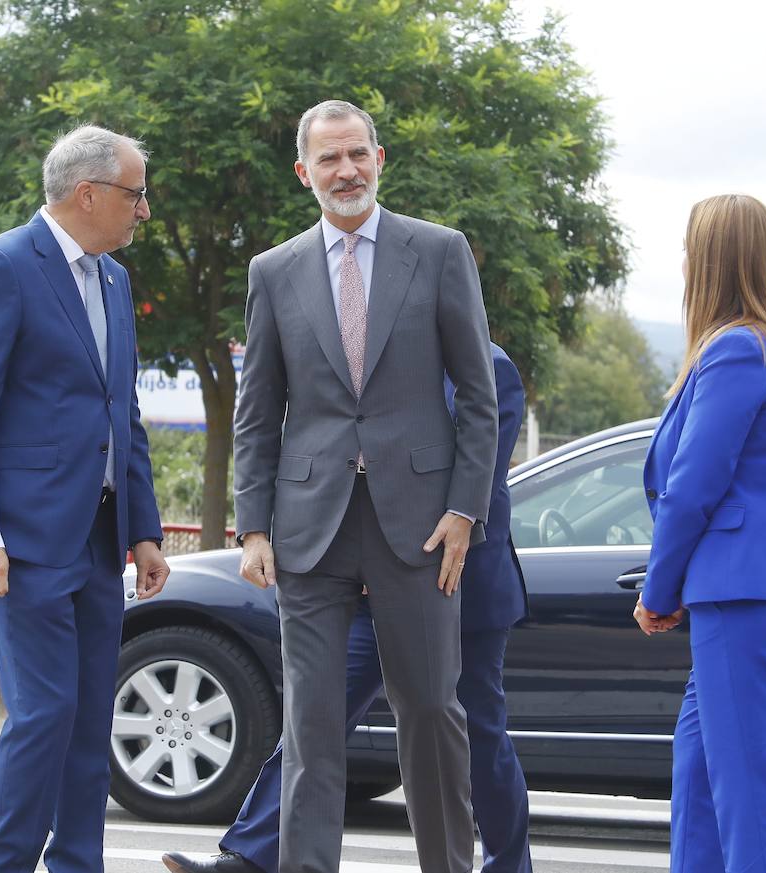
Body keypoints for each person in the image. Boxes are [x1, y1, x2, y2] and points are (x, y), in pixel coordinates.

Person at [231, 99, 498, 873]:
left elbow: (478, 398)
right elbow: (257, 415)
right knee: (310, 727)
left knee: (429, 713)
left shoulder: (440, 251)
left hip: (420, 527)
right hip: (308, 529)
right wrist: (253, 526)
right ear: (303, 172)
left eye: (357, 155)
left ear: (380, 158)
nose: (344, 171)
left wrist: (463, 511)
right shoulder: (273, 271)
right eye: (328, 159)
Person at [163, 341, 530, 873]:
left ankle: (509, 867)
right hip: (362, 585)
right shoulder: (371, 361)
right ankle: (249, 858)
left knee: (477, 733)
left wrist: (393, 552)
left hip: (458, 585)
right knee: (317, 718)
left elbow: (476, 485)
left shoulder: (488, 365)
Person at [0, 124, 170, 873]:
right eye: (136, 195)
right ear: (89, 193)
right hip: (26, 542)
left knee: (86, 721)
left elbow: (120, 412)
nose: (144, 212)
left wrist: (144, 531)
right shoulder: (2, 265)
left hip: (102, 542)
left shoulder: (115, 278)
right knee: (43, 715)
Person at [635, 194, 766, 873]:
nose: (685, 262)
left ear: (714, 260)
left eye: (692, 249)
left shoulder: (738, 348)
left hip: (743, 589)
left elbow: (694, 484)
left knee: (748, 795)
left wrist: (658, 589)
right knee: (699, 778)